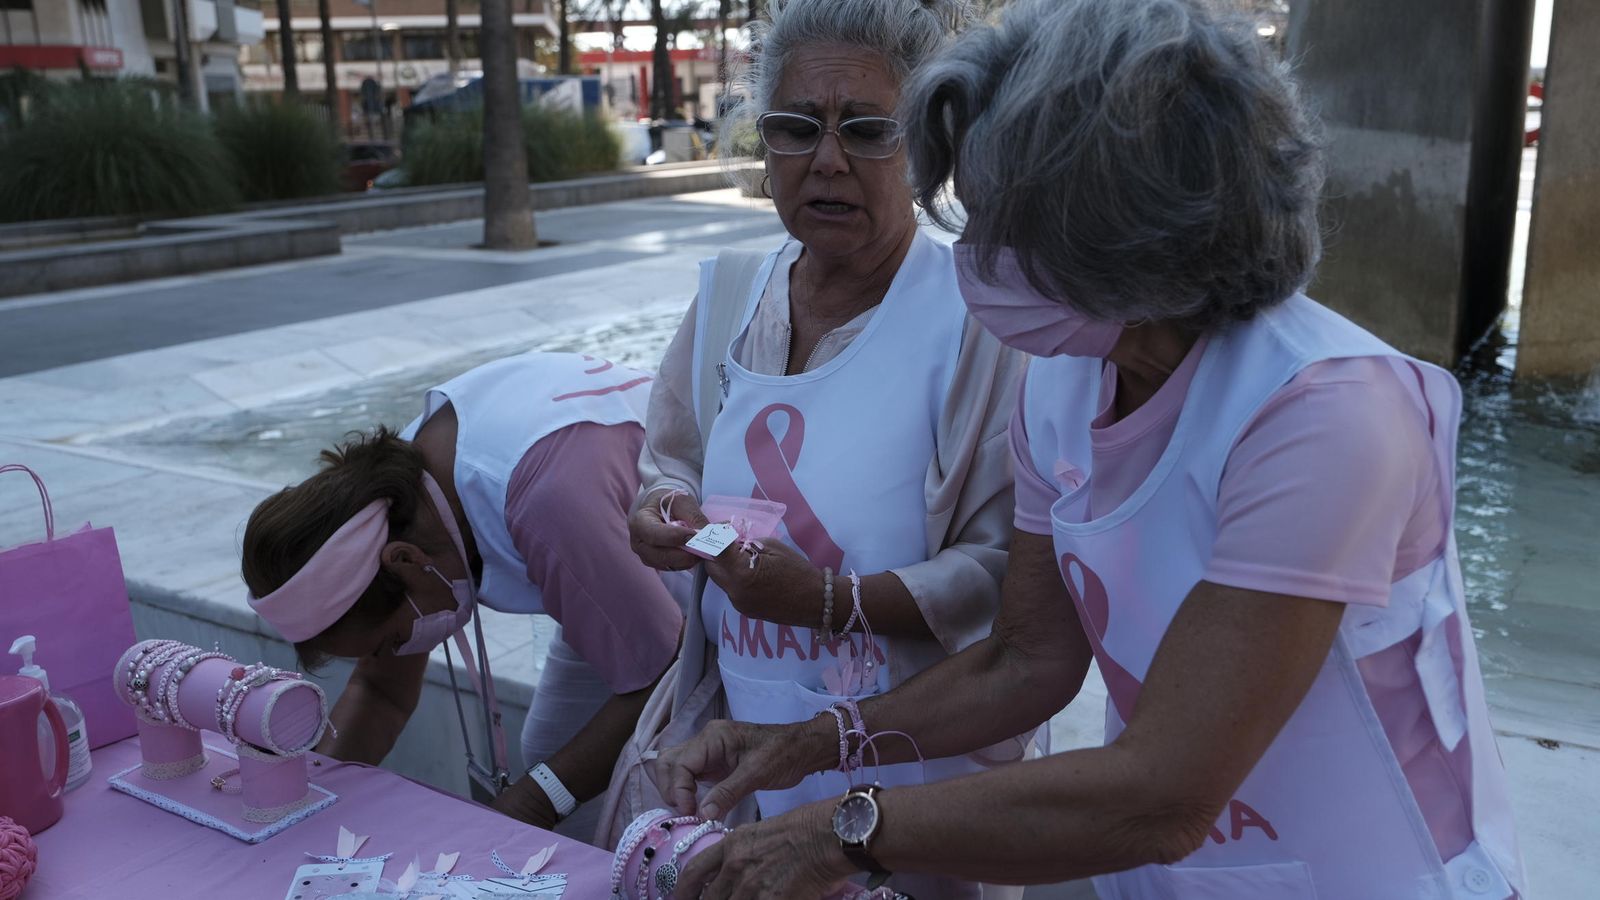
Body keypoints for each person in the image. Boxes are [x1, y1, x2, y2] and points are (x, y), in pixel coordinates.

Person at [653, 1, 1527, 898]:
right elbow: (1024, 664)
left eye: (1008, 221)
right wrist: (802, 745)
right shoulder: (1066, 380)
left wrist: (840, 833)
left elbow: (1165, 792)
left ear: (1128, 221)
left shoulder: (1324, 412)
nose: (977, 255)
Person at [618, 0, 1029, 895]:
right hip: (743, 758)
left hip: (920, 786)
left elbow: (1010, 575)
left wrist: (830, 601)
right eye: (797, 128)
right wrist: (662, 510)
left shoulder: (979, 323)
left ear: (926, 147)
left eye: (871, 131)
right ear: (765, 147)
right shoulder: (732, 297)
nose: (829, 160)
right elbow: (673, 458)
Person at [241, 351, 683, 839]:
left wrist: (534, 804)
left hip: (701, 559)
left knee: (655, 776)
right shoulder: (394, 501)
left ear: (406, 561)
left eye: (388, 641)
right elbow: (380, 691)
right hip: (609, 560)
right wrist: (309, 798)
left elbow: (668, 675)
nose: (393, 655)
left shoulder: (546, 502)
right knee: (551, 747)